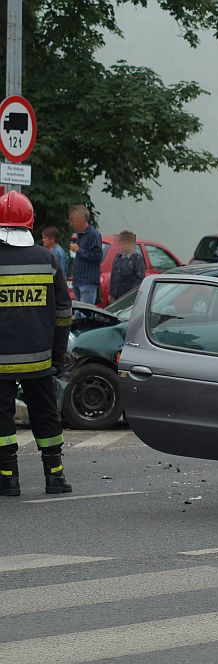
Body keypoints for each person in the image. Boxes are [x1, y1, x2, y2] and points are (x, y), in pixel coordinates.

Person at [0, 191, 73, 496]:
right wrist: (57, 354)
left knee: (2, 417)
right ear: (30, 223)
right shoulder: (48, 260)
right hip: (40, 359)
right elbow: (64, 313)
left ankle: (8, 479)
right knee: (45, 414)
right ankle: (54, 477)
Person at [68, 205, 102, 305]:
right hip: (78, 280)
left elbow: (97, 256)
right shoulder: (80, 235)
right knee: (79, 313)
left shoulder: (93, 234)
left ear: (81, 220)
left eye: (74, 219)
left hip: (88, 281)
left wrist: (79, 250)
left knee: (85, 314)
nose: (72, 223)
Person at [108, 231, 145, 302]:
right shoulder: (118, 257)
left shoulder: (136, 259)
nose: (120, 245)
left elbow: (139, 279)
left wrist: (130, 296)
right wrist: (111, 293)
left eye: (122, 243)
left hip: (128, 297)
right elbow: (113, 276)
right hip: (116, 296)